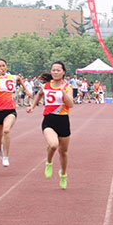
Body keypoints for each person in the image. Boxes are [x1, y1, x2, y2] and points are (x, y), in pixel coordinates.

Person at [27, 61, 74, 189]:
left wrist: (63, 92)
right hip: (49, 120)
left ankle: (63, 174)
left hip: (63, 121)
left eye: (58, 70)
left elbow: (71, 104)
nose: (55, 72)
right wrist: (32, 106)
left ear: (63, 72)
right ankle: (49, 162)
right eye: (53, 70)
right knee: (53, 145)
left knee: (63, 152)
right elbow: (39, 94)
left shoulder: (67, 87)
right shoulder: (46, 86)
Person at [0, 59, 33, 167]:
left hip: (9, 110)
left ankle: (6, 157)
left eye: (4, 66)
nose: (2, 68)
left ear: (6, 67)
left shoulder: (12, 77)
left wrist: (26, 90)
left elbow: (19, 79)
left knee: (6, 130)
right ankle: (0, 150)